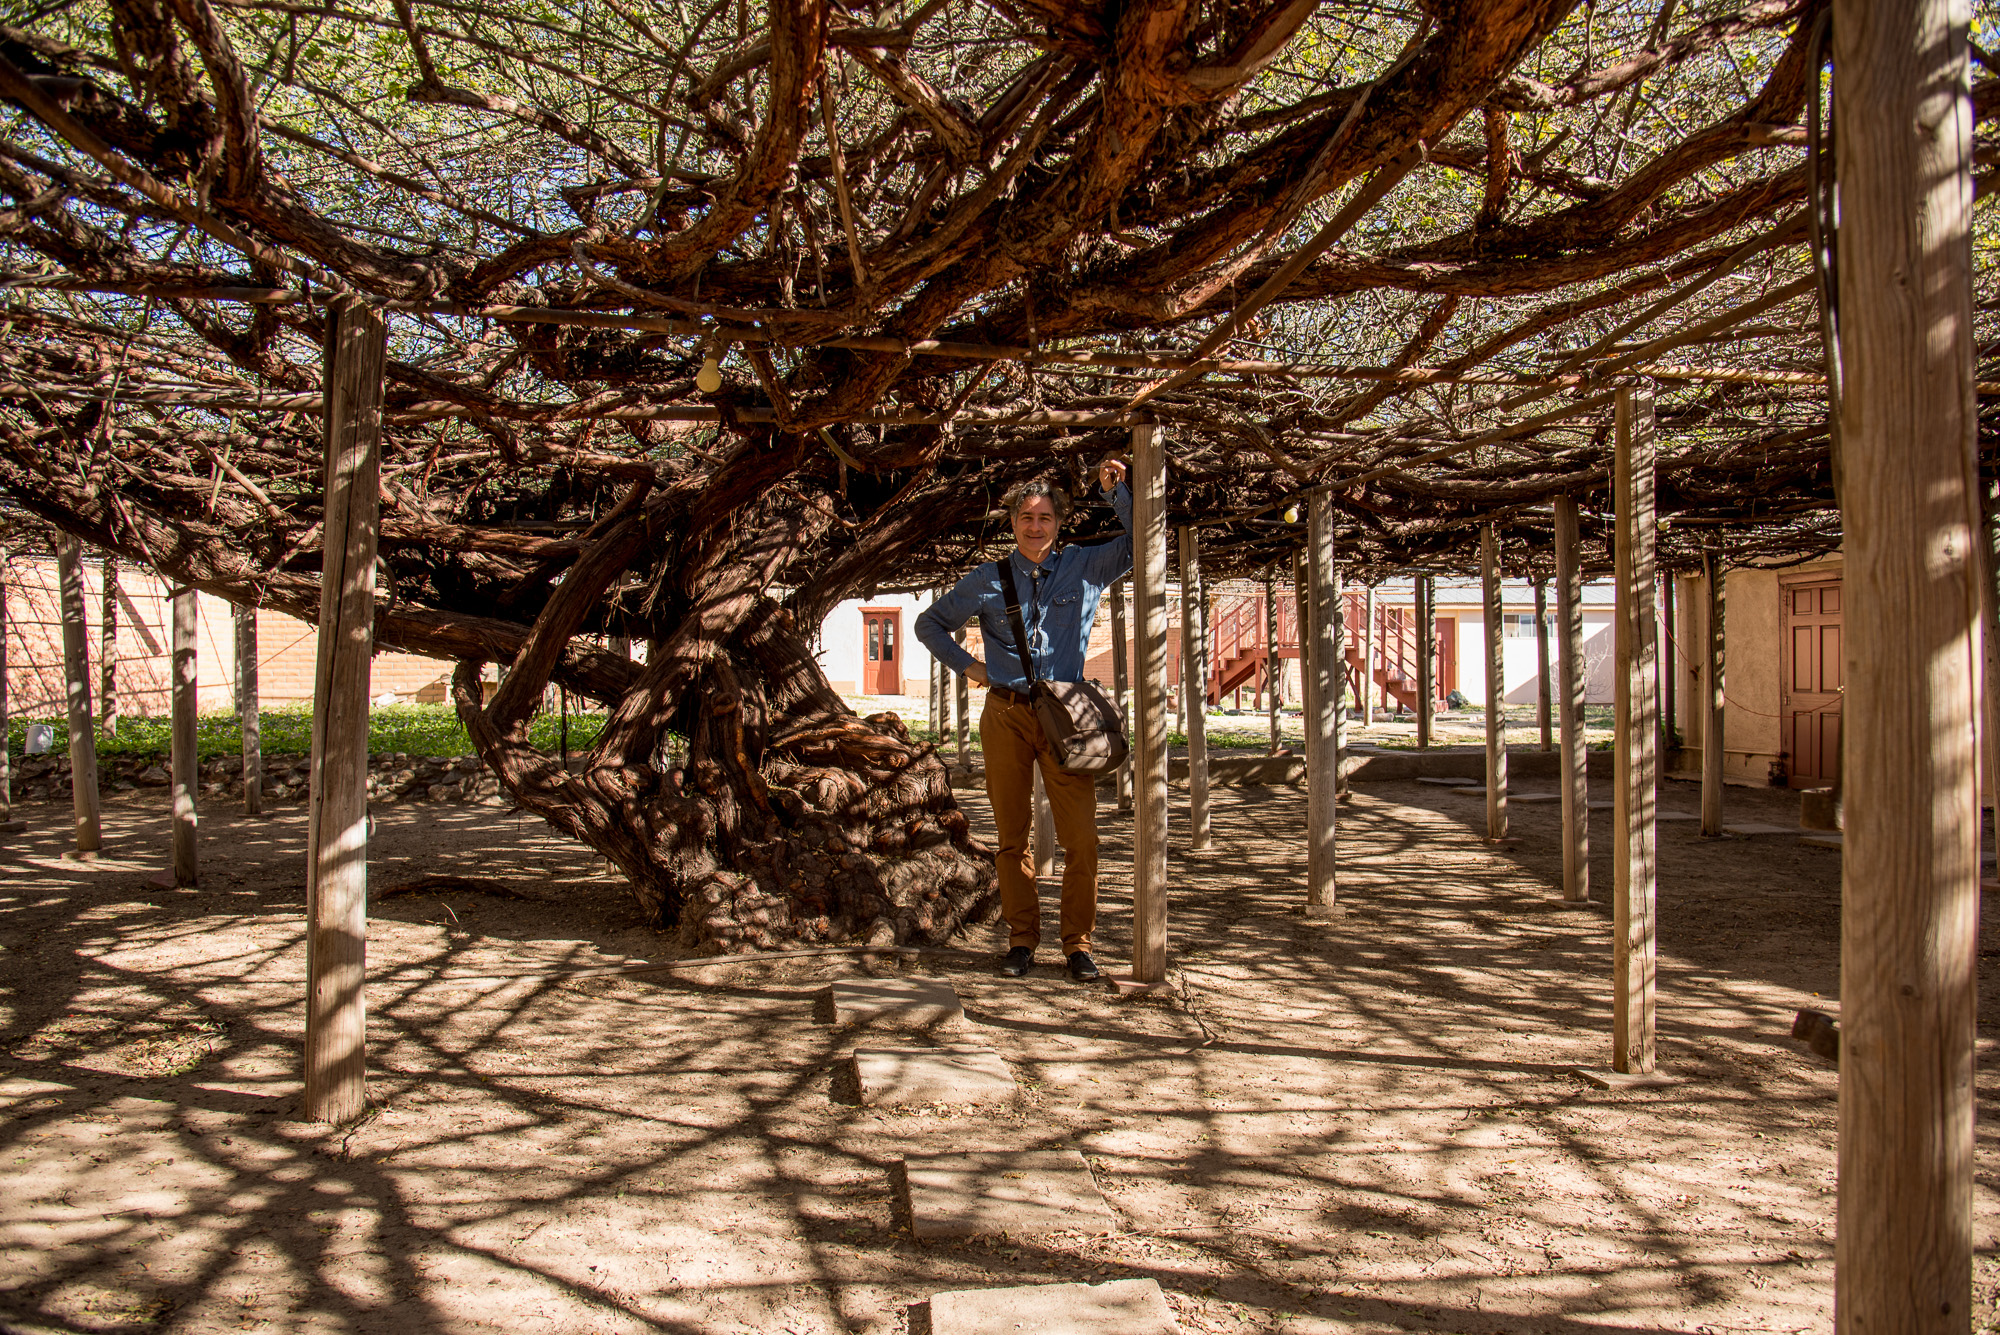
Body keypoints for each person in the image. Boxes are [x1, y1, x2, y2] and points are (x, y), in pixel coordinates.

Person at [915, 458, 1132, 981]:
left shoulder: (1087, 566)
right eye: (1025, 518)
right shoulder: (986, 580)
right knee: (1012, 838)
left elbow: (1143, 540)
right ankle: (1021, 941)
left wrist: (1117, 491)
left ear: (1060, 523)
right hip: (1006, 715)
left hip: (1067, 718)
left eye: (1045, 518)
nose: (1035, 526)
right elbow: (930, 624)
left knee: (1081, 840)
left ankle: (1078, 945)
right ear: (1011, 522)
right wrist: (973, 669)